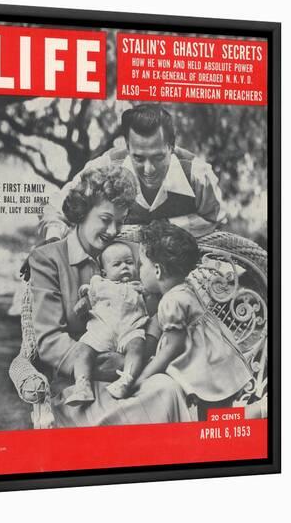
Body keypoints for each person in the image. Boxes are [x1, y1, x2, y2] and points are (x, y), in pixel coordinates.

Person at [28, 164, 193, 427]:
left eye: (121, 221)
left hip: (130, 372)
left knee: (167, 388)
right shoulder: (48, 259)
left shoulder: (134, 253)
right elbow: (49, 340)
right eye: (106, 220)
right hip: (79, 386)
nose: (114, 230)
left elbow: (156, 308)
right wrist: (104, 366)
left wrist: (134, 361)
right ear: (82, 211)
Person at [38, 103, 226, 241]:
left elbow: (216, 222)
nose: (148, 169)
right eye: (138, 158)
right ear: (127, 147)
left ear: (171, 146)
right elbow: (56, 207)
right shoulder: (107, 166)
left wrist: (159, 230)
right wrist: (53, 242)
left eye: (158, 157)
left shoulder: (197, 175)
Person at [137, 221, 253, 403]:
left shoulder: (171, 301)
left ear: (158, 270)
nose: (139, 271)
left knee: (211, 418)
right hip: (220, 361)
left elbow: (172, 347)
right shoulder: (185, 288)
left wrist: (145, 375)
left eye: (141, 265)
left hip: (206, 369)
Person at [65, 241, 149, 405]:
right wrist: (83, 303)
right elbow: (88, 298)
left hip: (130, 331)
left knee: (138, 345)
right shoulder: (99, 284)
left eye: (129, 263)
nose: (124, 267)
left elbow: (151, 308)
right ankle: (82, 385)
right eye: (117, 264)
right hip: (101, 331)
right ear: (104, 272)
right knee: (82, 349)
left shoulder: (139, 287)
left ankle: (126, 380)